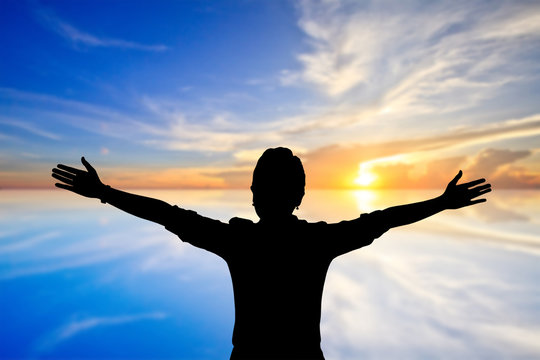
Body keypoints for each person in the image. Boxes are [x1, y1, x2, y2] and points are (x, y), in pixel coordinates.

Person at [51, 147, 491, 360]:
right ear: (299, 197)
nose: (267, 192)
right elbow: (382, 219)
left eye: (267, 185)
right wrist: (439, 203)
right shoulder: (315, 241)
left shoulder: (239, 241)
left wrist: (105, 193)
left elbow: (168, 215)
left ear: (255, 194)